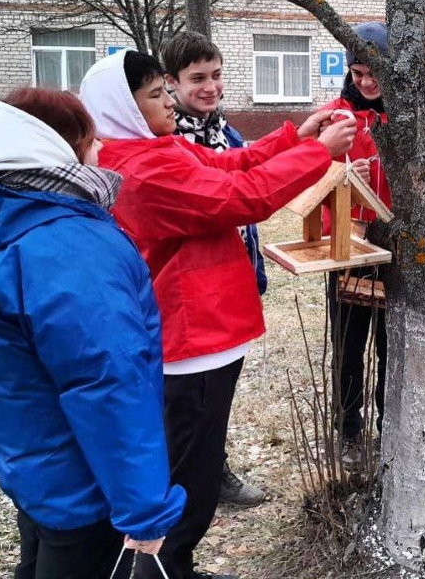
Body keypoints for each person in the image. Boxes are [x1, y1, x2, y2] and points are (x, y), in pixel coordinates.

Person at [79, 49, 355, 579]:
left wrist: (295, 137)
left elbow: (226, 163)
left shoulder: (151, 149)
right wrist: (317, 153)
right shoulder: (144, 167)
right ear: (125, 107)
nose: (169, 102)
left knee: (192, 465)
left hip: (203, 334)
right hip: (192, 340)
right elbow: (241, 195)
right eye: (157, 95)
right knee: (190, 476)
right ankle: (163, 566)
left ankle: (173, 563)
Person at [0, 88, 185, 579]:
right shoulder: (69, 247)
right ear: (62, 148)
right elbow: (108, 383)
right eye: (91, 141)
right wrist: (144, 511)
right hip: (84, 488)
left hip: (32, 465)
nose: (100, 152)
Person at [163, 30, 267, 509]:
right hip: (190, 293)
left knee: (217, 393)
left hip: (230, 280)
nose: (210, 86)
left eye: (217, 75)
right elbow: (234, 196)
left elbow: (247, 177)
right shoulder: (168, 141)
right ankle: (187, 480)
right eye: (197, 78)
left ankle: (212, 467)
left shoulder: (225, 132)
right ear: (171, 83)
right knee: (189, 401)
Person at [321, 21, 392, 466]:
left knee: (390, 344)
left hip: (394, 247)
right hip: (347, 242)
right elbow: (306, 178)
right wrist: (340, 176)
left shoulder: (407, 115)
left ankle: (390, 426)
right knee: (348, 343)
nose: (365, 81)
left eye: (373, 72)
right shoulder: (335, 115)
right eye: (357, 72)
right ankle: (348, 430)